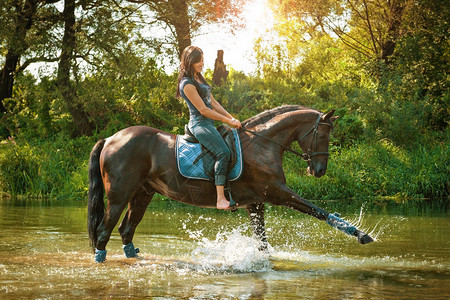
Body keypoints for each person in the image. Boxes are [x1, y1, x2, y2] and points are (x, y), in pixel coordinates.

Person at [176, 45, 242, 210]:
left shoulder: (199, 77)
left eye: (203, 60)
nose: (201, 64)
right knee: (223, 152)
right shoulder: (187, 83)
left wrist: (230, 117)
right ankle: (220, 199)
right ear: (190, 61)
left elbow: (213, 103)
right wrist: (227, 121)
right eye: (198, 61)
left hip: (209, 123)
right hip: (199, 123)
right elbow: (204, 110)